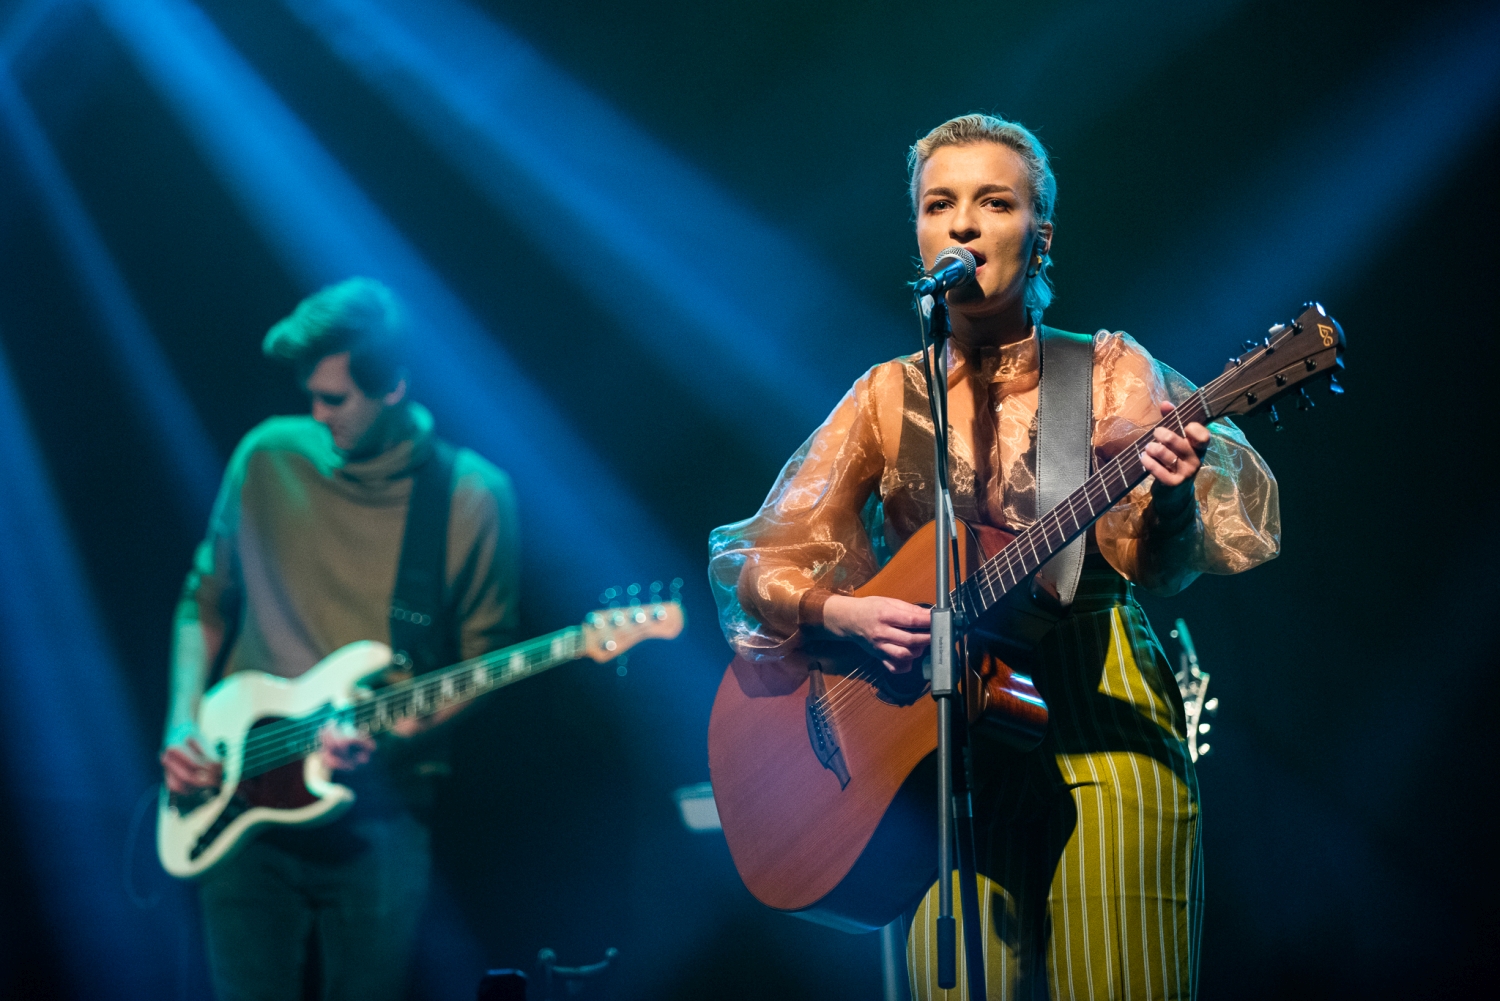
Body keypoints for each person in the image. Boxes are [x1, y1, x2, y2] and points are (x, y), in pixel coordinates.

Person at [708, 114, 1280, 999]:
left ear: (1040, 236)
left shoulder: (1104, 369)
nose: (964, 224)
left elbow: (1157, 566)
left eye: (994, 203)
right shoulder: (887, 393)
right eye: (939, 205)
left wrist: (1169, 493)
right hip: (938, 756)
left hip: (1098, 717)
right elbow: (761, 562)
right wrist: (845, 611)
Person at [159, 277, 520, 1001]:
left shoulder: (472, 496)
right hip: (238, 808)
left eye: (334, 398)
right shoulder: (267, 457)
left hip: (382, 816)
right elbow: (203, 602)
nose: (317, 415)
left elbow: (485, 661)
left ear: (394, 386)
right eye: (312, 396)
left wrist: (401, 733)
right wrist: (182, 721)